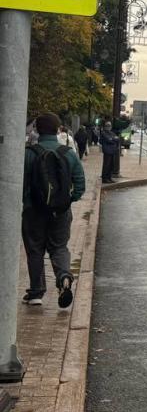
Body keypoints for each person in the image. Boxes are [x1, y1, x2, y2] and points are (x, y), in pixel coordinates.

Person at [22, 112, 85, 307]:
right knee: (59, 247)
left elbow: (21, 184)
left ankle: (36, 293)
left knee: (35, 250)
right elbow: (80, 185)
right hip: (61, 212)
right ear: (58, 130)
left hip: (34, 212)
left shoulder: (28, 154)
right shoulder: (69, 154)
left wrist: (28, 202)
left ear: (36, 130)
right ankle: (64, 276)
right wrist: (66, 201)